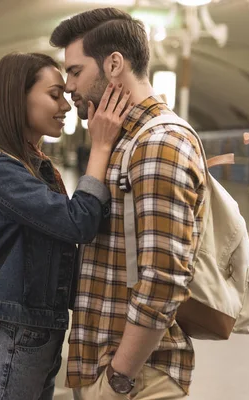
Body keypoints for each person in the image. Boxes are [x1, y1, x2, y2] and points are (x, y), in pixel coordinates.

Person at [50, 8, 207, 400]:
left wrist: (119, 378)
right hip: (110, 367)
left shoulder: (157, 145)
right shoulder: (125, 141)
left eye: (74, 71)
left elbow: (163, 278)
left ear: (114, 64)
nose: (69, 87)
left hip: (136, 379)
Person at [0, 52, 133, 399]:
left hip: (34, 335)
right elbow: (78, 223)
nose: (66, 107)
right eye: (54, 95)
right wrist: (100, 146)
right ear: (17, 99)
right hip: (12, 338)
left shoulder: (34, 167)